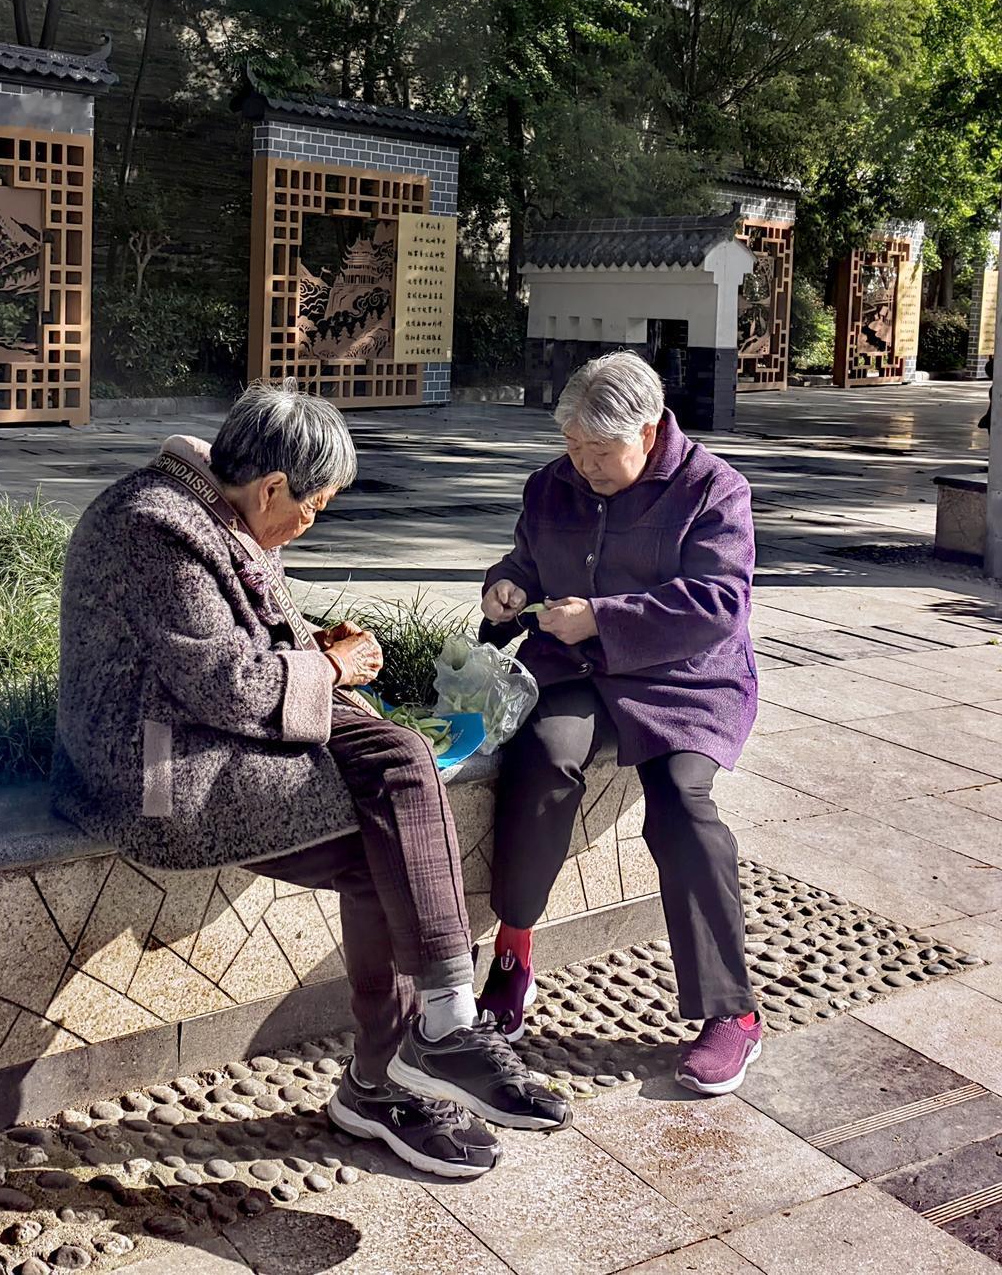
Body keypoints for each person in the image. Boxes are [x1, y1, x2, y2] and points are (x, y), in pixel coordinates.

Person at [52, 383, 568, 1180]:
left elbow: (245, 639)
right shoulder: (154, 527)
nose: (309, 522)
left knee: (397, 790)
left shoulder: (212, 506)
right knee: (391, 814)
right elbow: (223, 681)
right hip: (153, 768)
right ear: (269, 488)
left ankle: (409, 1056)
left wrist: (313, 647)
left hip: (211, 736)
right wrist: (326, 665)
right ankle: (413, 1054)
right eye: (314, 506)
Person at [477, 352, 761, 1096]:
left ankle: (732, 1013)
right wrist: (508, 587)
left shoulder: (713, 489)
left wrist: (602, 616)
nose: (583, 466)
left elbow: (719, 604)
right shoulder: (550, 485)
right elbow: (527, 562)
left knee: (682, 808)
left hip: (681, 680)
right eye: (574, 448)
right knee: (543, 757)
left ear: (648, 429)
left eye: (600, 455)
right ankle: (512, 953)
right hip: (575, 669)